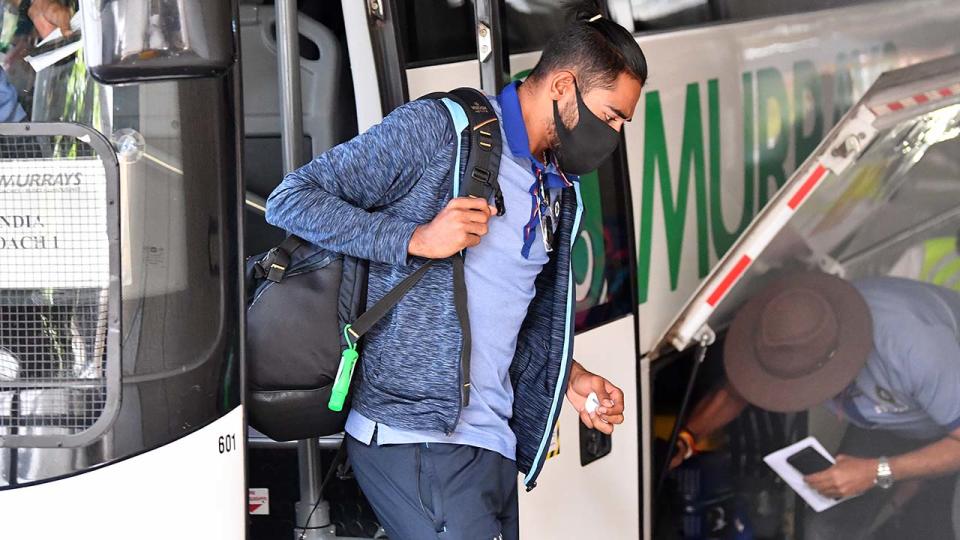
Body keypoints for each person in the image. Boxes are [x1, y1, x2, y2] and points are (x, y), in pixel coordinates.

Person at [265, 2, 646, 538]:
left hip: (491, 441)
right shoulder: (440, 131)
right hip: (415, 437)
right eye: (610, 115)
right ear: (563, 85)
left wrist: (569, 377)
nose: (613, 133)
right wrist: (416, 238)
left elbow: (510, 310)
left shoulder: (552, 185)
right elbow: (291, 199)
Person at [671, 272, 960, 539]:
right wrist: (684, 438)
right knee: (824, 530)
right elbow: (737, 392)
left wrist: (879, 471)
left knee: (944, 524)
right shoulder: (790, 331)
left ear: (836, 363)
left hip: (950, 418)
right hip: (896, 420)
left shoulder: (915, 349)